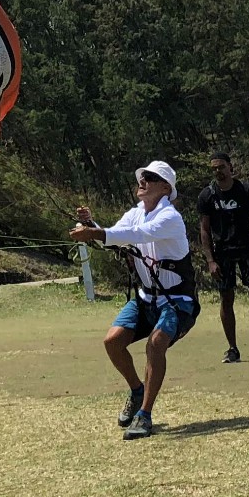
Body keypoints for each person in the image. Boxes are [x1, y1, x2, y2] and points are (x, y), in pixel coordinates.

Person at [70, 160, 197, 440]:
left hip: (176, 300)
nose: (142, 181)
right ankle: (137, 391)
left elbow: (137, 236)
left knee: (155, 345)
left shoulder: (170, 218)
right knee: (112, 342)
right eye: (142, 176)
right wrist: (93, 225)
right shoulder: (135, 213)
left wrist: (93, 232)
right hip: (145, 299)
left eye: (150, 178)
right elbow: (119, 235)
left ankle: (145, 415)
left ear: (166, 188)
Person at [196, 151, 249, 363]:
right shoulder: (207, 196)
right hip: (222, 254)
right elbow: (204, 230)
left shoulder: (247, 191)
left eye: (222, 167)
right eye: (214, 168)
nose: (218, 172)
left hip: (248, 251)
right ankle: (232, 349)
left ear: (230, 167)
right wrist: (210, 260)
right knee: (226, 299)